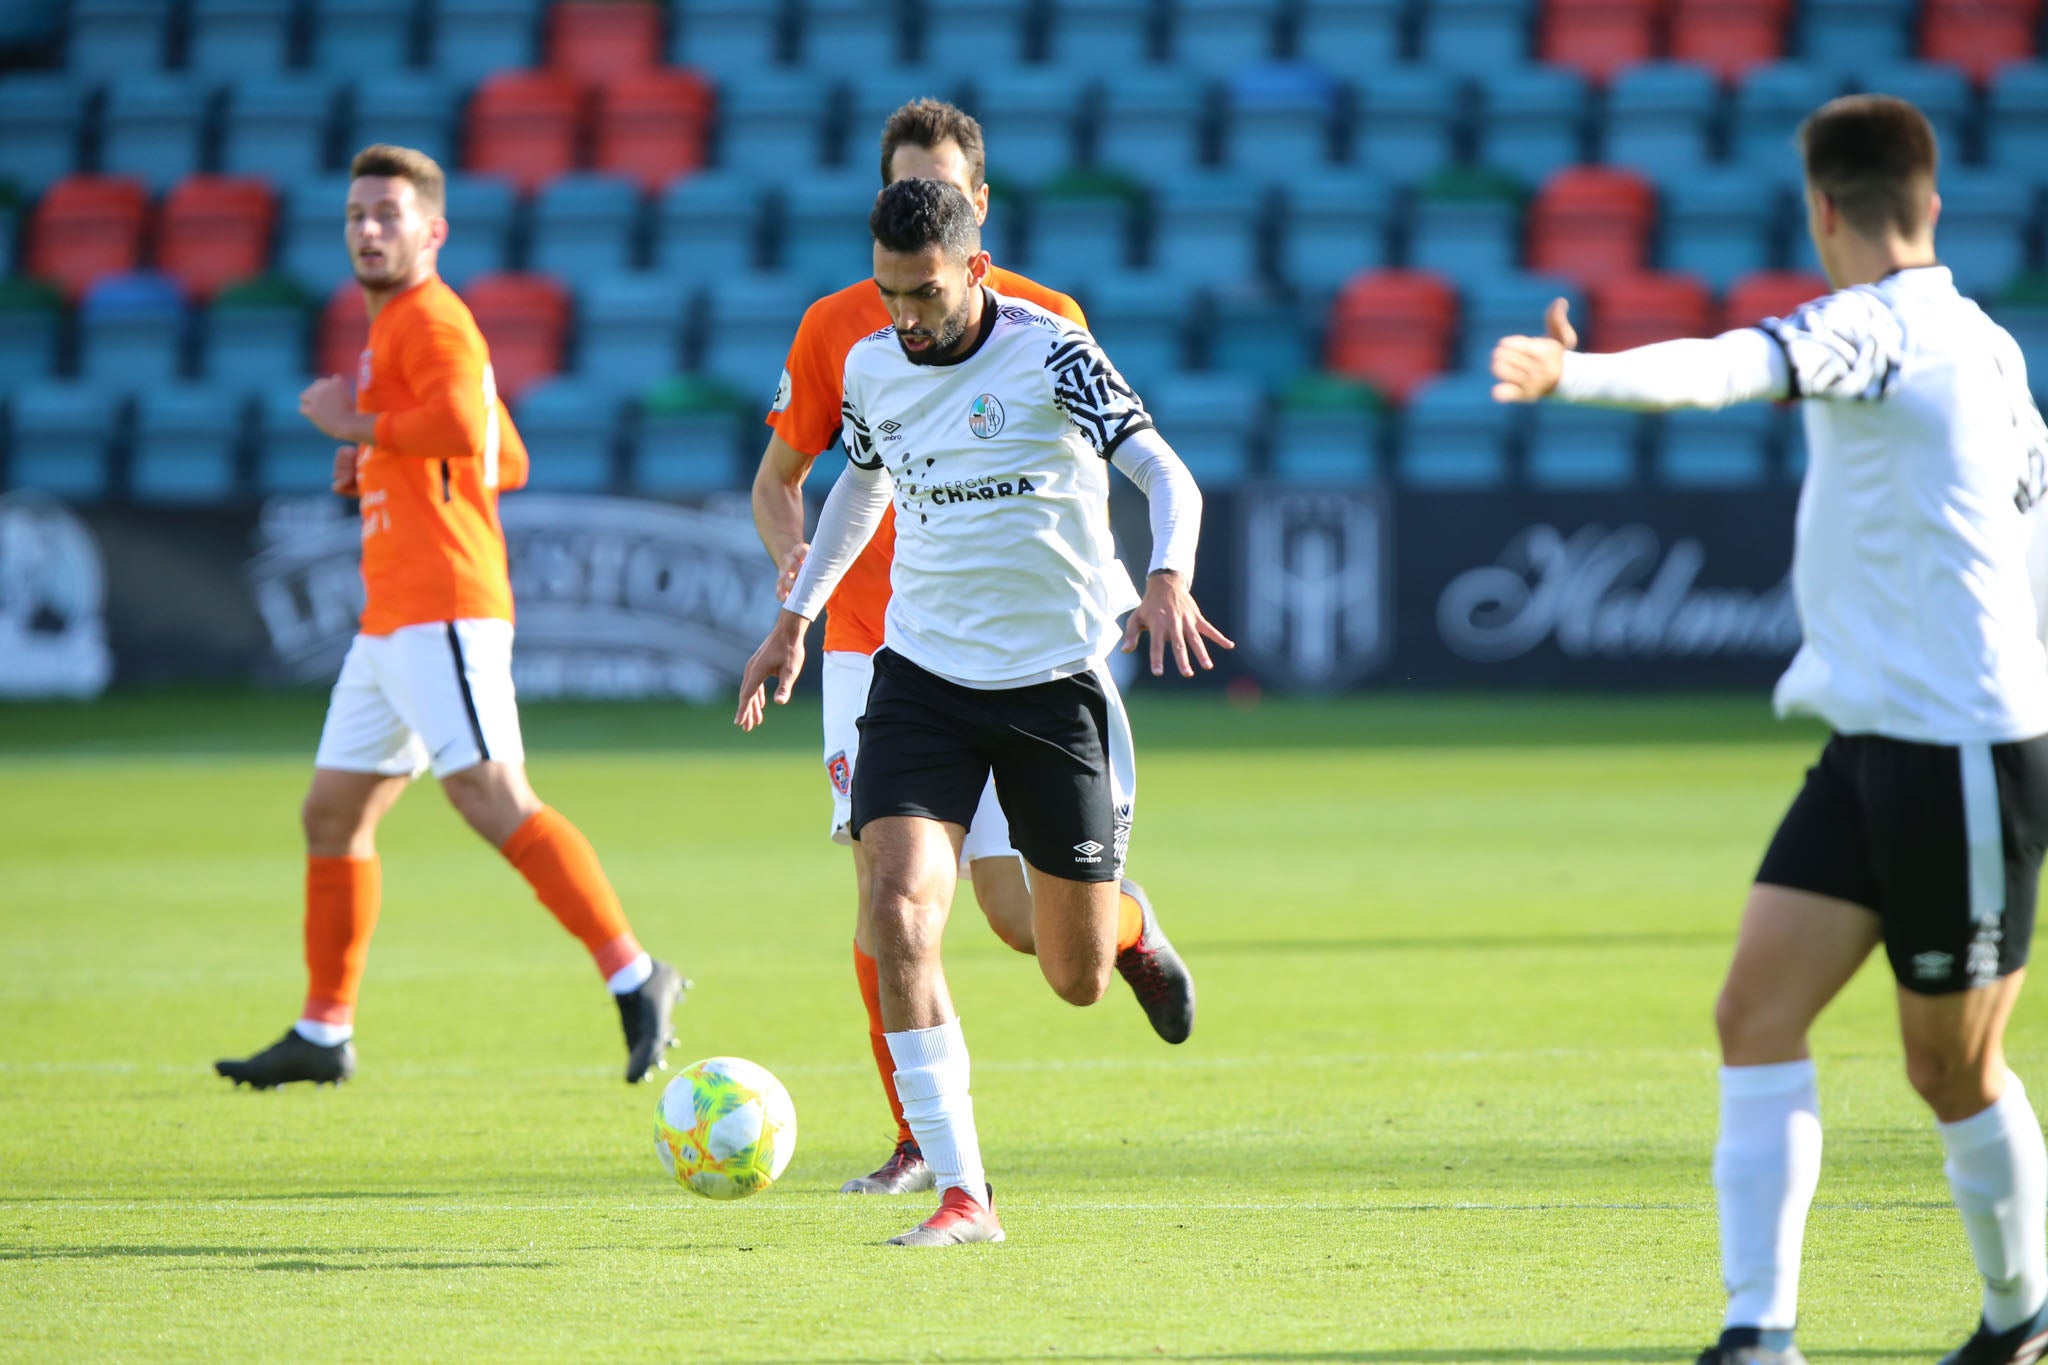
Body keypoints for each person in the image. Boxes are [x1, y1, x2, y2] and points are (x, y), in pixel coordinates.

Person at [1491, 96, 2048, 1365]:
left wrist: (1575, 373)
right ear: (1933, 203)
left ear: (1819, 210)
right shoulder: (1987, 342)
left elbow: (1732, 368)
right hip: (1870, 743)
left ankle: (2023, 1312)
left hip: (1963, 751)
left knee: (1949, 1072)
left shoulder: (1879, 328)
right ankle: (1758, 1334)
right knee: (1753, 1015)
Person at [737, 177, 1231, 1246]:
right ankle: (966, 1191)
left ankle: (1131, 925)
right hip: (920, 680)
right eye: (887, 293)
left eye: (922, 294)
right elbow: (861, 485)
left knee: (1071, 974)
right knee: (898, 911)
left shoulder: (1051, 349)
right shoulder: (870, 363)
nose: (904, 317)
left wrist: (1167, 576)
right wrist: (795, 616)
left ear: (974, 266)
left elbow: (1165, 474)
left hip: (1054, 686)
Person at [216, 145, 684, 1091]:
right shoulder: (389, 330)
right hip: (391, 616)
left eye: (389, 213)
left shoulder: (431, 320)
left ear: (432, 231)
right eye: (355, 214)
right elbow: (504, 456)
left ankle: (638, 976)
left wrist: (360, 430)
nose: (369, 229)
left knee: (490, 795)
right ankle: (323, 1029)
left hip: (446, 607)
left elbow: (470, 438)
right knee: (333, 812)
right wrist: (384, 456)